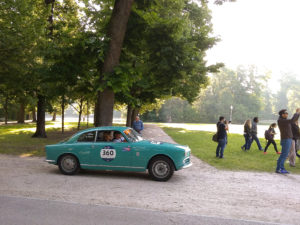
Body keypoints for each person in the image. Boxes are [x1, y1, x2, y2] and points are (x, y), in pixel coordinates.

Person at [276, 108, 300, 174]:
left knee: (284, 154)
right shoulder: (281, 121)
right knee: (284, 155)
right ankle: (280, 169)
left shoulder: (284, 120)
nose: (287, 114)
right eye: (286, 113)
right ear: (282, 114)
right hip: (286, 139)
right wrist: (297, 113)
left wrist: (297, 114)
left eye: (287, 113)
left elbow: (293, 121)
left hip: (288, 139)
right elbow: (292, 120)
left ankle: (279, 168)